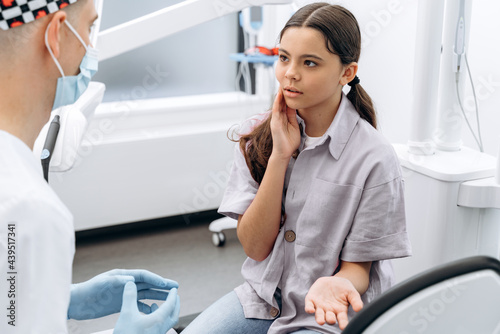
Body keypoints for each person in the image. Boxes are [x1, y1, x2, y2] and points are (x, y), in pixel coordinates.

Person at [182, 3, 411, 334]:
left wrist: (334, 285)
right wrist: (279, 156)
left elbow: (358, 270)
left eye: (310, 63)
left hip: (328, 312)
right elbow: (255, 247)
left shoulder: (374, 158)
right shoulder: (255, 136)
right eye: (284, 57)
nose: (290, 73)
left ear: (346, 73)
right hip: (262, 299)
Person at [0, 1, 179, 333]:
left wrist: (61, 298)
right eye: (88, 28)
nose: (90, 47)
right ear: (55, 33)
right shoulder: (29, 209)